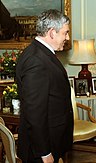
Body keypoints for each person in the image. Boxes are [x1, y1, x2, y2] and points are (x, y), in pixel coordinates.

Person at [16, 9, 73, 163]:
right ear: (52, 32)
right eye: (65, 33)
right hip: (41, 148)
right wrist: (44, 152)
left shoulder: (40, 53)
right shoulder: (36, 61)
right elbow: (35, 113)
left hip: (51, 139)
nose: (67, 38)